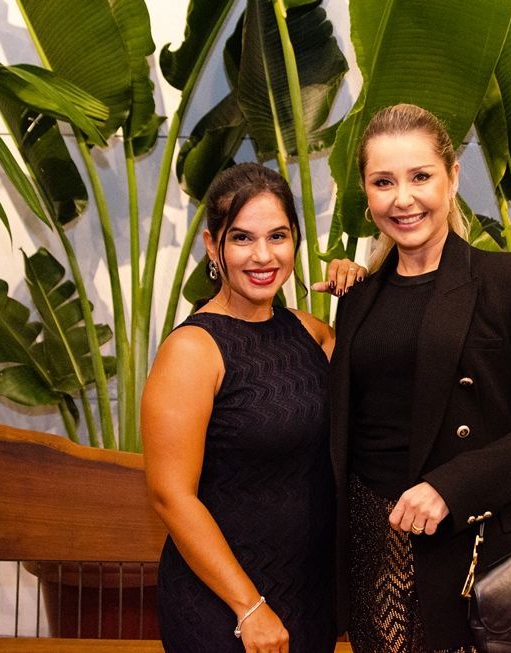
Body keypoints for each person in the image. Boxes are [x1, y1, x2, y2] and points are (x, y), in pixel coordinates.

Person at [329, 103, 511, 652]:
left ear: (452, 178)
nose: (403, 198)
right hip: (373, 543)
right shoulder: (357, 299)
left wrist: (450, 488)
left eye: (420, 176)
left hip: (474, 549)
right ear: (366, 194)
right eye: (383, 182)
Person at [143, 162, 363, 653]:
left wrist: (363, 290)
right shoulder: (194, 350)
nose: (263, 255)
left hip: (307, 596)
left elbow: (387, 375)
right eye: (242, 238)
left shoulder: (310, 333)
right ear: (212, 246)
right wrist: (249, 606)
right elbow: (170, 496)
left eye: (278, 236)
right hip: (226, 605)